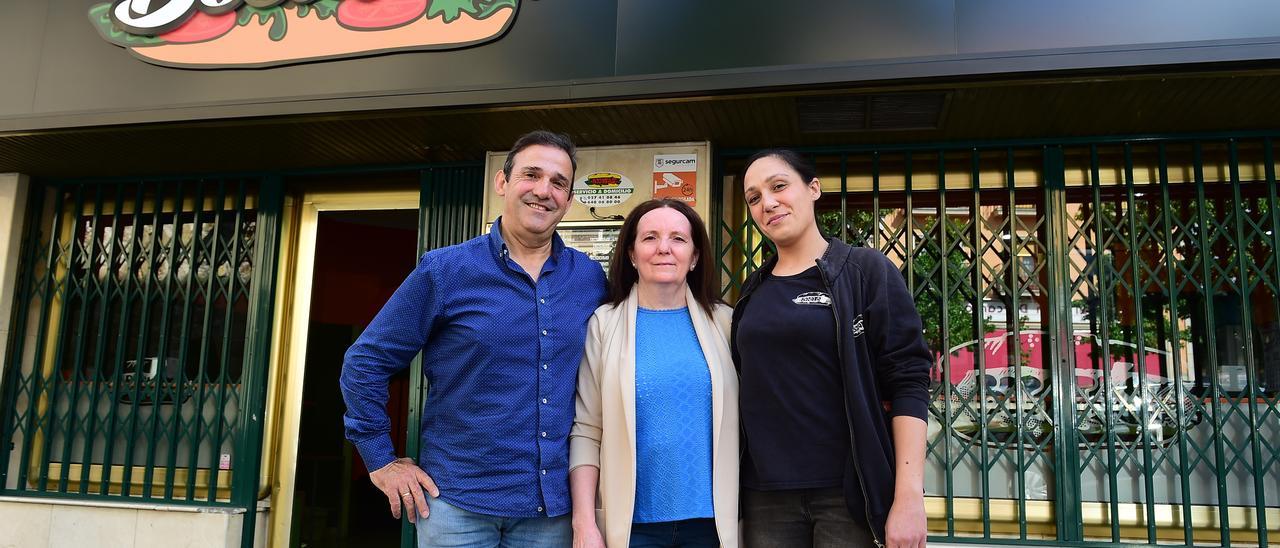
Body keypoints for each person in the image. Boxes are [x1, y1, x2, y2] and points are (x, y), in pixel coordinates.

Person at [339, 130, 608, 547]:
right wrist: (381, 461)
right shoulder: (445, 271)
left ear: (569, 199)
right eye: (531, 175)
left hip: (551, 513)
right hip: (457, 508)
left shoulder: (589, 279)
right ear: (502, 183)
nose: (543, 191)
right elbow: (364, 364)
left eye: (558, 182)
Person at [733, 149, 931, 548]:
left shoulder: (864, 272)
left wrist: (909, 496)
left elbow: (908, 381)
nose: (767, 202)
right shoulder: (750, 294)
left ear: (813, 188)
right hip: (764, 497)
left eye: (779, 186)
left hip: (847, 496)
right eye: (754, 197)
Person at [569, 199, 739, 548]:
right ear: (632, 254)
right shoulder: (604, 325)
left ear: (694, 257)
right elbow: (587, 430)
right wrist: (584, 521)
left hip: (711, 527)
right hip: (632, 528)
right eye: (650, 238)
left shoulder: (726, 323)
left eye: (678, 238)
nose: (664, 248)